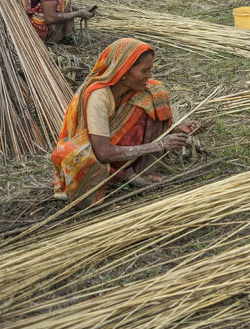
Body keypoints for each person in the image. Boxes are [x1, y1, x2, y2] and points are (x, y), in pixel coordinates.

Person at [51, 38, 199, 207]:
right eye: (144, 71)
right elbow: (103, 153)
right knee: (77, 158)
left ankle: (144, 170)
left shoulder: (134, 90)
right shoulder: (98, 96)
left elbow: (134, 125)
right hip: (95, 155)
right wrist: (160, 145)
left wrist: (173, 131)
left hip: (114, 147)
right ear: (123, 73)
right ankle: (127, 175)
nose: (149, 76)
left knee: (156, 91)